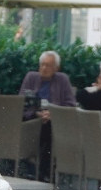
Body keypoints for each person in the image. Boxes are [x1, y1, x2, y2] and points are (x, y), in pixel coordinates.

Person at [18, 51, 75, 179]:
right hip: (32, 119)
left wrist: (53, 113)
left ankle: (43, 171)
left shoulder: (62, 80)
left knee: (48, 127)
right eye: (42, 65)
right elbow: (21, 102)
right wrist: (37, 113)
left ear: (56, 68)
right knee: (44, 127)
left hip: (54, 121)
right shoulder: (31, 77)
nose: (44, 68)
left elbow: (71, 105)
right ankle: (43, 171)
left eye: (48, 65)